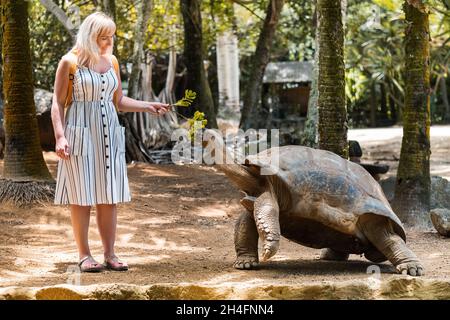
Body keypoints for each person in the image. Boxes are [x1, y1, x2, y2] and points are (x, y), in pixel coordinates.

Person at [51, 12, 169, 272]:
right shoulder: (69, 62)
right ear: (90, 35)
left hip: (108, 133)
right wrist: (60, 136)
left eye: (111, 37)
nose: (108, 42)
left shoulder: (112, 62)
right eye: (103, 37)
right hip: (79, 132)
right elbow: (57, 103)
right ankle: (84, 255)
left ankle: (110, 254)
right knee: (81, 196)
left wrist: (148, 106)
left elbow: (118, 101)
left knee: (109, 195)